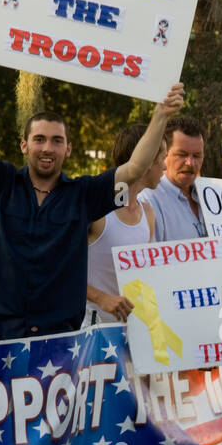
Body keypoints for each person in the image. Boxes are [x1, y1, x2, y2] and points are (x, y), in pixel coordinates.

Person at [0, 31, 184, 340]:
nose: (47, 147)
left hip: (60, 342)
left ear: (68, 149)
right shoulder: (2, 183)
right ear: (24, 145)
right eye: (39, 139)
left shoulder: (83, 196)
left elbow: (135, 168)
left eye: (56, 141)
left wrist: (161, 115)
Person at [85, 124, 163, 323]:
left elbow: (147, 278)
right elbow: (62, 270)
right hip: (90, 337)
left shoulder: (147, 212)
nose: (164, 166)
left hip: (131, 334)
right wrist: (101, 298)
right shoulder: (97, 210)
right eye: (162, 158)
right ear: (145, 161)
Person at [144, 116, 207, 241]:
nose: (190, 163)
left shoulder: (214, 196)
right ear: (163, 154)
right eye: (182, 155)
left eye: (197, 156)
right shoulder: (148, 201)